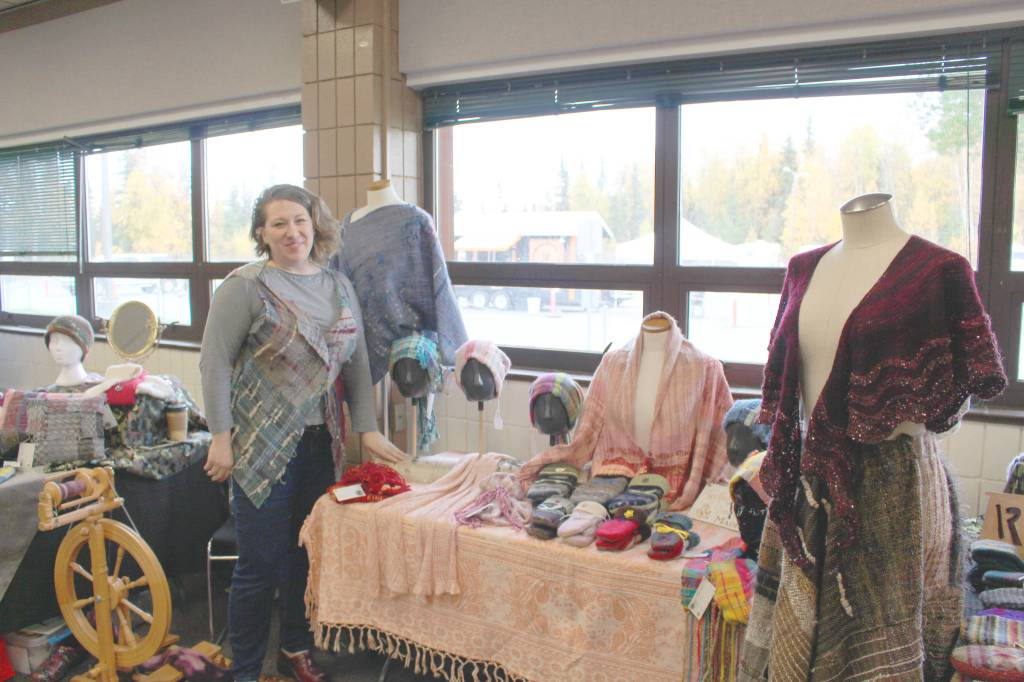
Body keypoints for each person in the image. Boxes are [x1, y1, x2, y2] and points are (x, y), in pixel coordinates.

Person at [199, 184, 405, 682]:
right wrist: (221, 436)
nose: (292, 232)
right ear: (261, 233)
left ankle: (294, 648)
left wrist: (367, 430)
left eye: (300, 221)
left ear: (316, 226)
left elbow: (355, 361)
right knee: (260, 564)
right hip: (260, 446)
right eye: (278, 224)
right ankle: (245, 671)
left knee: (306, 552)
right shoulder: (244, 287)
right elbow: (215, 364)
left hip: (321, 443)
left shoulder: (337, 286)